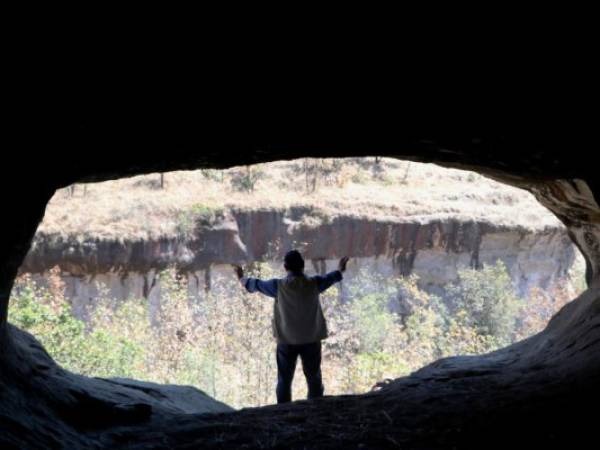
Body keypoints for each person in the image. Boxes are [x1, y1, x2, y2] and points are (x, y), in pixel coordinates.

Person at [233, 250, 349, 404]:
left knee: (284, 380)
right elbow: (332, 277)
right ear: (303, 265)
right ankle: (315, 409)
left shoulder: (277, 286)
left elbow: (255, 284)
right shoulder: (314, 283)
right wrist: (340, 269)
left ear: (285, 267)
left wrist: (241, 277)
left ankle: (283, 411)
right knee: (314, 378)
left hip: (286, 340)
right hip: (311, 339)